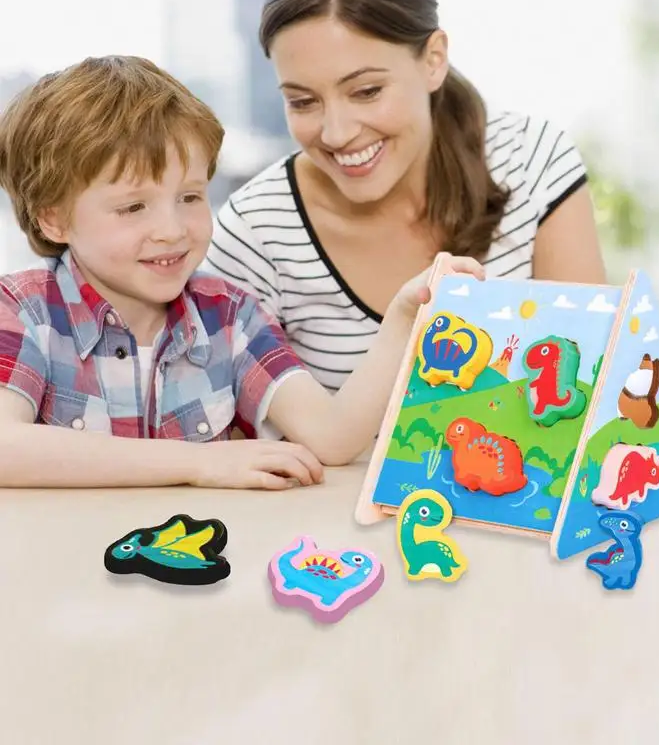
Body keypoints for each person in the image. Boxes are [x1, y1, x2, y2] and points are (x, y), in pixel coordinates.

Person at [0, 55, 484, 490]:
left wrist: (403, 319)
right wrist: (199, 463)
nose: (172, 230)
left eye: (190, 197)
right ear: (53, 219)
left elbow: (333, 438)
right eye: (133, 207)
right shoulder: (23, 310)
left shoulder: (230, 316)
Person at [204, 0, 607, 393]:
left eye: (366, 91)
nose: (336, 133)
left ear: (433, 60)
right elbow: (224, 425)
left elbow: (589, 385)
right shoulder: (254, 234)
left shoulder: (532, 161)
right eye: (302, 101)